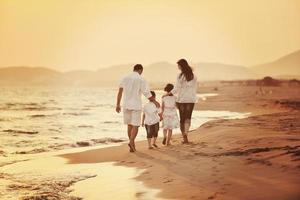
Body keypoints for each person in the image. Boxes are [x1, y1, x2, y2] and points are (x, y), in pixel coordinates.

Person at [116, 64, 160, 152]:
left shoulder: (124, 77)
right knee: (135, 125)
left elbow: (120, 92)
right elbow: (146, 92)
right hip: (136, 105)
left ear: (134, 69)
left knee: (129, 124)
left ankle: (132, 144)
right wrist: (154, 101)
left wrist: (117, 104)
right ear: (140, 70)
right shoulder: (141, 79)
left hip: (126, 105)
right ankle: (132, 141)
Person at [169, 59, 197, 144]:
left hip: (182, 99)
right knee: (188, 118)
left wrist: (169, 93)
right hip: (191, 99)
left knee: (182, 119)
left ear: (181, 66)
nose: (178, 67)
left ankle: (184, 137)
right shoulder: (193, 76)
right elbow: (194, 88)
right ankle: (186, 134)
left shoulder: (180, 76)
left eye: (178, 65)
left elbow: (176, 88)